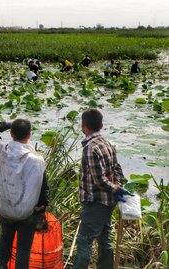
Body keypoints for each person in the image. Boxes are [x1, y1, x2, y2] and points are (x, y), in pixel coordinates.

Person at [73, 109, 131, 269]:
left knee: (84, 240)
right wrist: (118, 187)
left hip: (95, 203)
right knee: (104, 239)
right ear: (101, 125)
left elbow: (99, 180)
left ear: (83, 126)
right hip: (108, 203)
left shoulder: (90, 148)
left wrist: (115, 189)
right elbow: (118, 169)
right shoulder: (108, 144)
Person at [0, 120, 49, 269]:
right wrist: (42, 209)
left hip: (4, 209)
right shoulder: (36, 160)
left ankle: (1, 265)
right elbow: (43, 189)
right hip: (26, 213)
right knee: (23, 249)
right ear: (29, 135)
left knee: (6, 237)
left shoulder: (0, 149)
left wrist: (10, 124)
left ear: (11, 134)